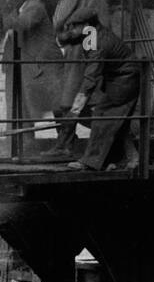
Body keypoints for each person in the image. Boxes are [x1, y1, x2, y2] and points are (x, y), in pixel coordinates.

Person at [60, 10, 141, 170]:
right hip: (120, 77)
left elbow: (90, 79)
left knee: (102, 114)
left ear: (87, 26)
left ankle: (90, 162)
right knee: (119, 122)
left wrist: (75, 110)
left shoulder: (97, 42)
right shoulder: (93, 34)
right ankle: (132, 158)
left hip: (125, 79)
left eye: (74, 26)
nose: (71, 30)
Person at [48, 0, 112, 157]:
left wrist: (63, 34)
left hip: (79, 46)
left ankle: (65, 146)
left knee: (68, 98)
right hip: (99, 45)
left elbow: (58, 20)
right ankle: (70, 143)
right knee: (87, 96)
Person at [3, 0, 60, 152]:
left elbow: (23, 24)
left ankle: (67, 142)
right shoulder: (21, 8)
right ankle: (29, 143)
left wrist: (6, 13)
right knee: (28, 105)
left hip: (46, 64)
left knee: (57, 103)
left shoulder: (34, 5)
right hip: (32, 66)